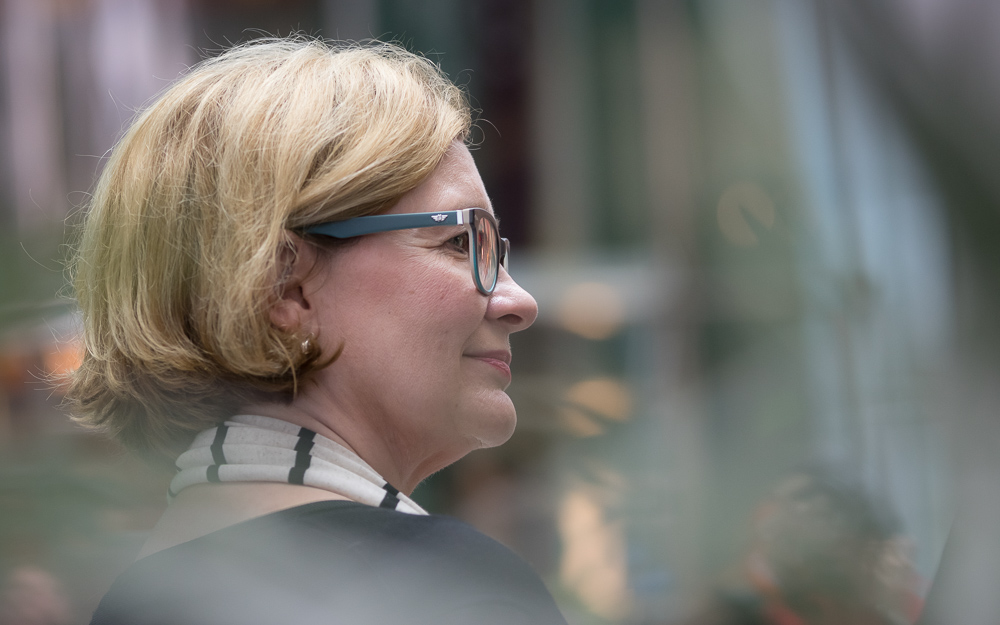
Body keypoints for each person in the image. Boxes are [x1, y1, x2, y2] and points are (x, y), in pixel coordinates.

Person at [66, 37, 565, 625]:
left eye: (496, 252)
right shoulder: (443, 589)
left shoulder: (127, 604)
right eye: (460, 242)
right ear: (285, 286)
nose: (518, 302)